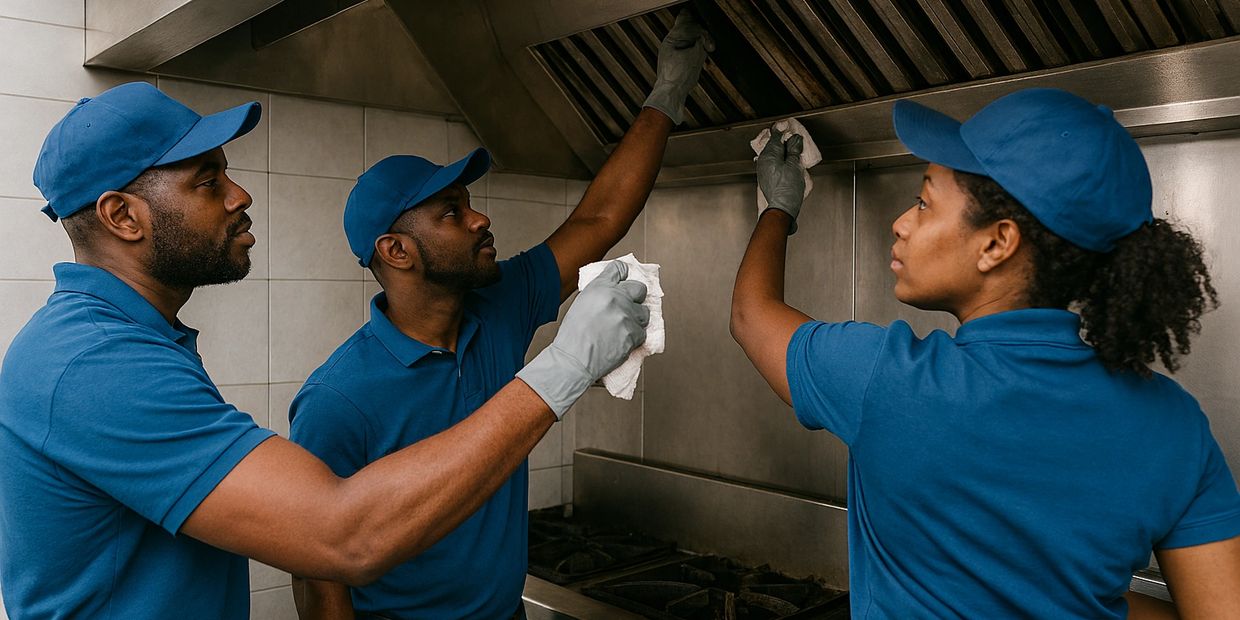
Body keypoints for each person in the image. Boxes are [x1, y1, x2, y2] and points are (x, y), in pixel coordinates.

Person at [0, 82, 648, 619]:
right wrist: (564, 366)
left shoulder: (130, 341)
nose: (240, 195)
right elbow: (341, 536)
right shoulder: (94, 364)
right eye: (206, 180)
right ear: (122, 216)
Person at [730, 88, 1240, 618]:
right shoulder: (1175, 425)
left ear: (997, 243)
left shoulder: (881, 378)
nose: (902, 221)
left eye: (925, 202)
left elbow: (751, 314)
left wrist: (778, 208)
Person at [284, 11, 713, 620]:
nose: (480, 219)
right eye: (451, 214)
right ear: (396, 251)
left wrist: (666, 94)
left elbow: (597, 220)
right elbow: (318, 578)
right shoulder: (338, 399)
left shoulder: (498, 306)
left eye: (470, 205)